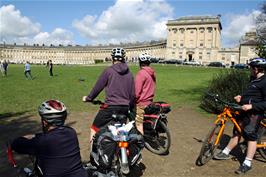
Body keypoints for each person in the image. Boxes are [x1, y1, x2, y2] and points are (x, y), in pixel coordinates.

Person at [214, 58, 266, 174]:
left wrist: (251, 106)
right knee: (237, 131)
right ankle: (226, 152)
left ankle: (247, 163)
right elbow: (251, 94)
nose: (250, 70)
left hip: (254, 113)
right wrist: (241, 98)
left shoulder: (264, 82)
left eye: (251, 68)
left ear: (256, 69)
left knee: (251, 136)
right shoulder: (254, 80)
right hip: (244, 111)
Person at [11, 100, 88, 177]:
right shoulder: (71, 133)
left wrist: (32, 136)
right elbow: (52, 137)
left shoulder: (41, 141)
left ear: (44, 122)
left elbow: (16, 144)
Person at [82, 47, 135, 146]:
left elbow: (98, 87)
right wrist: (129, 107)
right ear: (124, 58)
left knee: (94, 128)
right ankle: (121, 154)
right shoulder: (130, 74)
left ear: (112, 58)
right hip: (124, 108)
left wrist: (88, 98)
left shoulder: (109, 71)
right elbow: (133, 94)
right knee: (120, 132)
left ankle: (93, 157)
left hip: (110, 107)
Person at [135, 53, 156, 135]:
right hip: (150, 101)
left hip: (142, 103)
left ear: (140, 62)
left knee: (139, 122)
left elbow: (136, 92)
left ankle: (140, 141)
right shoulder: (152, 73)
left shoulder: (141, 73)